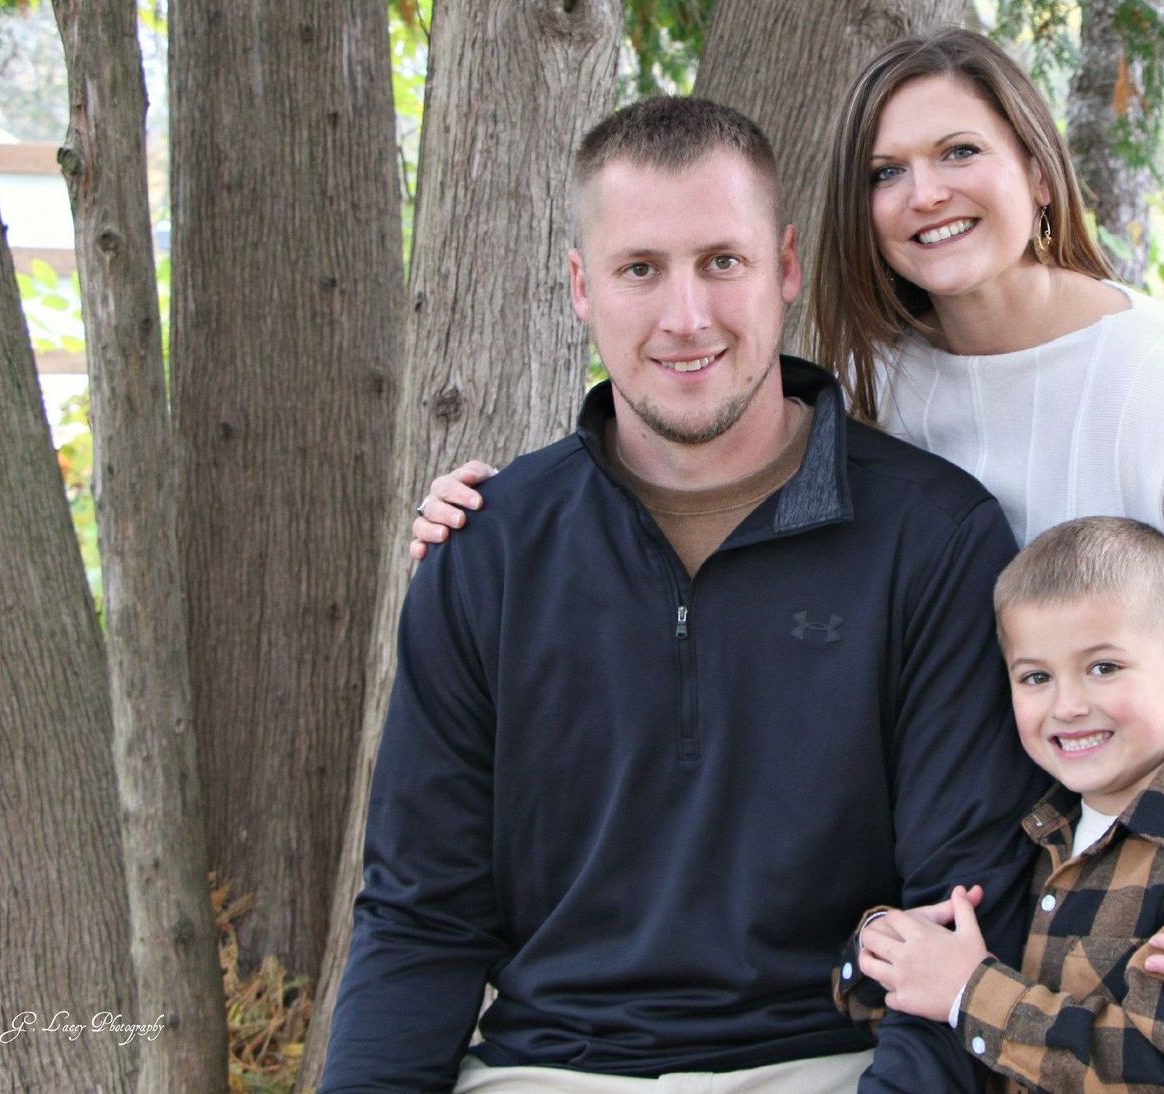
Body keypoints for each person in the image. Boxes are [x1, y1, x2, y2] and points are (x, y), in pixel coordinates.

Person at [411, 27, 1164, 1033]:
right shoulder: (875, 385)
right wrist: (493, 517)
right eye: (885, 170)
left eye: (958, 153)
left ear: (1036, 172)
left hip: (1135, 872)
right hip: (974, 878)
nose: (925, 192)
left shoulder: (1155, 373)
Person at [321, 95, 1045, 1093]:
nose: (686, 317)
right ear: (582, 285)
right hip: (549, 1070)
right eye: (639, 270)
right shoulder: (489, 552)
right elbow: (420, 912)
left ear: (784, 267)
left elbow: (967, 900)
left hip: (831, 1061)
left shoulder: (930, 538)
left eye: (722, 261)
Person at [846, 516, 1164, 1092]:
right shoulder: (1037, 824)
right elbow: (907, 1010)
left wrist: (970, 991)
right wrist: (883, 950)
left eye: (1103, 667)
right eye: (1036, 677)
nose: (1066, 705)